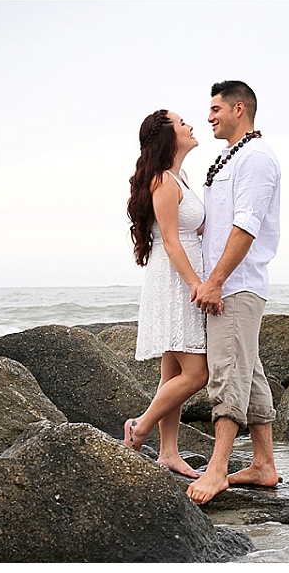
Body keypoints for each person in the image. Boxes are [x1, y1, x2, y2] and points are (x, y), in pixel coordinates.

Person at [187, 81, 282, 505]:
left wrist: (216, 281)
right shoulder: (230, 157)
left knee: (226, 372)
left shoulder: (257, 158)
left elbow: (247, 225)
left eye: (215, 109)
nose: (209, 117)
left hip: (237, 285)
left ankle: (218, 469)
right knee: (250, 371)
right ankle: (263, 465)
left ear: (238, 108)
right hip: (231, 283)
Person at [123, 109, 209, 478]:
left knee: (171, 371)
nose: (190, 125)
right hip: (175, 280)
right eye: (181, 122)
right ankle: (139, 427)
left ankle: (168, 452)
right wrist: (195, 285)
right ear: (168, 137)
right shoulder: (163, 181)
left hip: (183, 274)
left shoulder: (181, 176)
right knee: (197, 373)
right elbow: (172, 242)